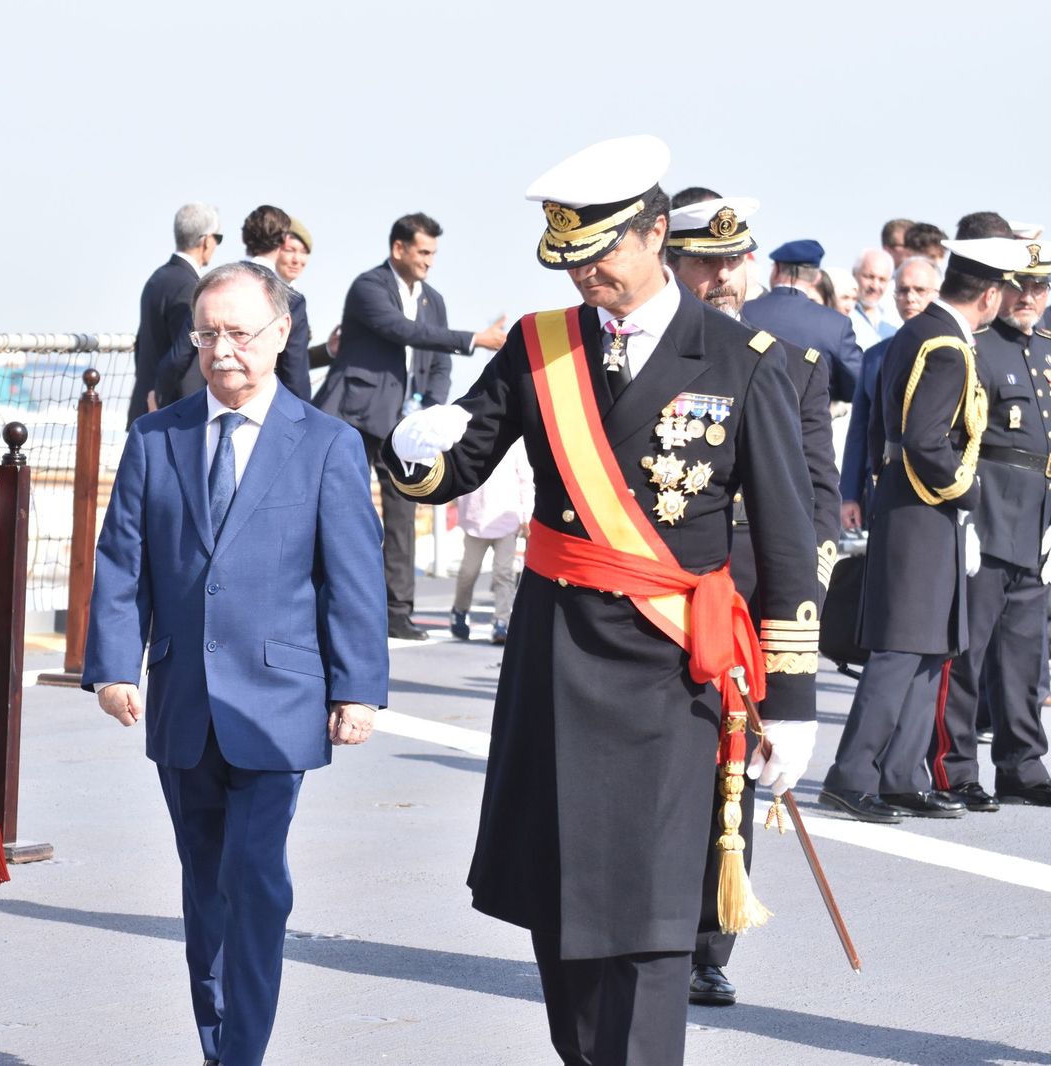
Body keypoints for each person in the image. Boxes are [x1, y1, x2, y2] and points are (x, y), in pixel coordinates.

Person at [384, 135, 820, 1066]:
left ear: (658, 234)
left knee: (655, 919)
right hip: (557, 658)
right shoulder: (542, 348)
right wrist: (413, 448)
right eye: (571, 260)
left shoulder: (743, 360)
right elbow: (458, 462)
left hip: (674, 679)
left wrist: (792, 700)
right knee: (564, 909)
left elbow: (787, 548)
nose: (588, 278)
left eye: (603, 255)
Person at [83, 261, 388, 1066]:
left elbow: (351, 576)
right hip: (185, 698)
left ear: (281, 334)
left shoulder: (327, 444)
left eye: (239, 333)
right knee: (203, 885)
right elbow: (123, 562)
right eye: (207, 333)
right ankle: (216, 1040)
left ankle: (241, 1051)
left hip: (279, 701)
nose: (222, 351)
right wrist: (115, 666)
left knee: (256, 881)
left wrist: (357, 688)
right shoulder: (157, 437)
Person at [664, 194, 838, 1009]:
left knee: (731, 773)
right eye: (708, 260)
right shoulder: (642, 360)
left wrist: (801, 612)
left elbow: (810, 499)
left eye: (738, 260)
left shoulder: (790, 365)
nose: (725, 277)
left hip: (746, 598)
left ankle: (707, 942)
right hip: (658, 596)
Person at [820, 237, 1029, 823]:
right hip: (922, 508)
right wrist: (970, 490)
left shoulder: (929, 333)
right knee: (902, 647)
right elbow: (924, 438)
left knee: (933, 647)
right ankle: (852, 774)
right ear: (989, 295)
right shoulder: (943, 345)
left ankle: (900, 775)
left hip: (923, 509)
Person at [314, 212, 507, 640]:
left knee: (403, 516)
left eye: (433, 254)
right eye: (423, 252)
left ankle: (397, 612)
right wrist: (474, 339)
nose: (429, 261)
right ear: (398, 249)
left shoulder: (433, 299)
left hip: (402, 425)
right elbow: (401, 330)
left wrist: (429, 413)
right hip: (353, 417)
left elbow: (436, 363)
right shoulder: (368, 287)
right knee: (339, 512)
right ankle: (325, 601)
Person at [929, 240, 1051, 809]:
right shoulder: (976, 345)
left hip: (1037, 516)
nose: (1031, 297)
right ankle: (956, 767)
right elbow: (954, 435)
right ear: (999, 288)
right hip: (987, 507)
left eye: (1042, 287)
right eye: (1022, 285)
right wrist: (964, 513)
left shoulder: (1046, 348)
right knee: (969, 651)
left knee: (1025, 653)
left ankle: (1023, 765)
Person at [164, 205, 314, 403]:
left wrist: (159, 396)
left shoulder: (212, 289)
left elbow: (178, 356)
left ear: (245, 238)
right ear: (283, 241)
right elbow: (295, 374)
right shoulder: (291, 300)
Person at [841, 256, 941, 527]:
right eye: (904, 290)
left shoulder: (953, 351)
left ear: (937, 295)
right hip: (882, 486)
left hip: (937, 490)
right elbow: (859, 430)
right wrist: (849, 494)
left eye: (920, 291)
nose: (910, 298)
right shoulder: (875, 356)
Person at [130, 202, 220, 427]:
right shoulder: (191, 287)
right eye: (218, 238)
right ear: (206, 240)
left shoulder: (157, 278)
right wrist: (158, 395)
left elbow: (142, 344)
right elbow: (181, 354)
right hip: (171, 412)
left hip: (146, 406)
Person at [743, 238, 863, 401]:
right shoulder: (836, 324)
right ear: (816, 278)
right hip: (810, 422)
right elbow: (857, 385)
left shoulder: (745, 312)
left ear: (776, 269)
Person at [449, 445, 531, 644]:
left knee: (504, 572)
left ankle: (501, 621)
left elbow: (525, 480)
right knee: (469, 571)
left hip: (507, 517)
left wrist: (526, 515)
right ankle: (460, 609)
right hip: (476, 517)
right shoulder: (474, 433)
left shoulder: (516, 443)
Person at [848, 249, 898, 349]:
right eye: (869, 277)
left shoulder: (894, 317)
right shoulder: (843, 314)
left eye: (882, 280)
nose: (875, 286)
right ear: (854, 274)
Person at [275, 217, 311, 285]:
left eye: (303, 252)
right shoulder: (257, 287)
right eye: (289, 251)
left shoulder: (295, 293)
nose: (296, 260)